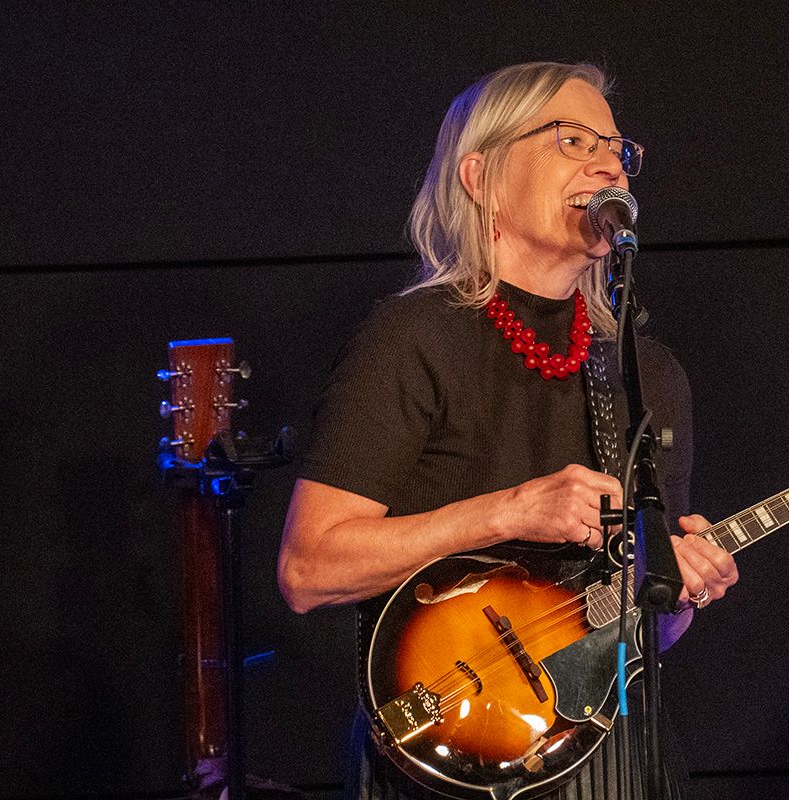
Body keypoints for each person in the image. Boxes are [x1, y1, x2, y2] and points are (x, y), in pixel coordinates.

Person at [278, 62, 738, 800]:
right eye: (572, 140)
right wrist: (510, 511)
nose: (608, 164)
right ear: (480, 176)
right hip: (445, 759)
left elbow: (637, 638)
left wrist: (680, 595)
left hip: (611, 763)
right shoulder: (413, 339)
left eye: (618, 149)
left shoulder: (647, 373)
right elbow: (308, 569)